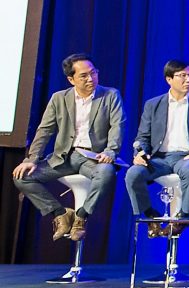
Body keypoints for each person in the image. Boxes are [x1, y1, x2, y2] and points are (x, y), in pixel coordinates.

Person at [13, 53, 124, 241]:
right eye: (84, 76)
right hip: (63, 157)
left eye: (93, 73)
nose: (91, 78)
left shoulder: (110, 95)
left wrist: (110, 151)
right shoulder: (59, 98)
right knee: (22, 177)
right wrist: (31, 159)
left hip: (93, 158)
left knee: (106, 173)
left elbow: (118, 126)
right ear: (71, 79)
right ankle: (59, 213)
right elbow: (44, 131)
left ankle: (81, 216)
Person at [125, 59, 189, 237]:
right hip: (159, 158)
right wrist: (140, 153)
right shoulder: (153, 104)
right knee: (133, 174)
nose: (188, 79)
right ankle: (150, 215)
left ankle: (183, 217)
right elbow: (142, 137)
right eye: (182, 76)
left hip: (188, 157)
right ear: (169, 79)